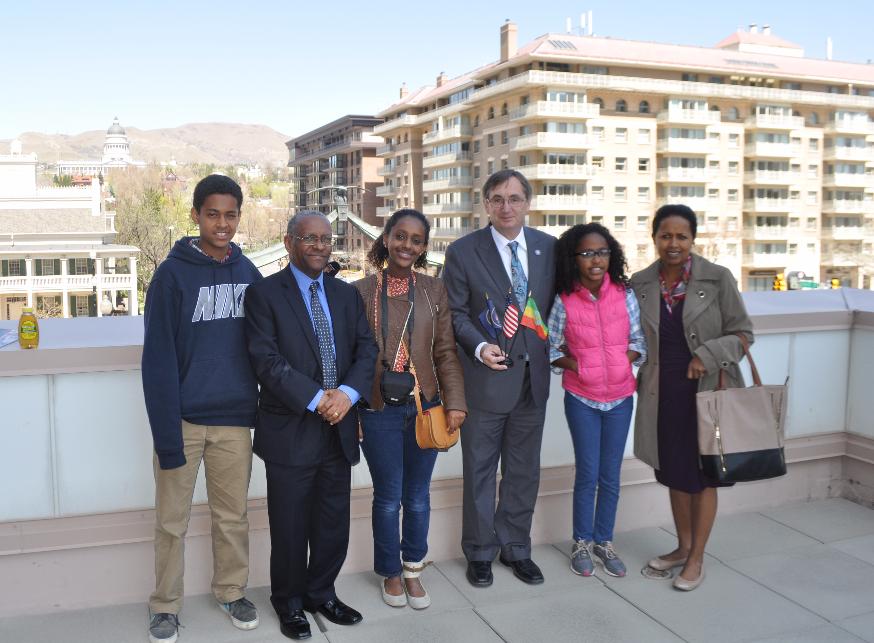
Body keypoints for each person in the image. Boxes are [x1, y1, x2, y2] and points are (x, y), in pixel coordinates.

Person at [244, 211, 377, 640]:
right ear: (289, 243)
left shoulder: (344, 294)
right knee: (289, 525)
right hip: (290, 430)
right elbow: (267, 363)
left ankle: (322, 593)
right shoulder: (264, 295)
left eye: (326, 238)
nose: (320, 246)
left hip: (339, 427)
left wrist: (348, 396)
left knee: (332, 521)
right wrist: (321, 399)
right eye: (309, 239)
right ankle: (289, 603)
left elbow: (366, 350)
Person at [142, 174, 262, 643]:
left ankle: (231, 591)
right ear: (195, 215)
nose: (222, 223)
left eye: (230, 214)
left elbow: (264, 345)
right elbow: (158, 360)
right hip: (184, 421)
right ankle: (165, 605)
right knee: (171, 521)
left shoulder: (248, 272)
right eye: (212, 213)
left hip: (234, 421)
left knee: (232, 517)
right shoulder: (172, 276)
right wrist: (166, 434)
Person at [442, 169, 556, 588]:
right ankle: (479, 552)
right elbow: (454, 313)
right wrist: (477, 346)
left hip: (534, 381)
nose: (506, 207)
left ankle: (517, 548)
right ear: (486, 204)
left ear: (527, 202)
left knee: (525, 471)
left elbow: (559, 308)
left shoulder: (548, 248)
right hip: (485, 382)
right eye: (497, 199)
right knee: (480, 472)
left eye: (514, 198)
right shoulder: (463, 251)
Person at [632, 204, 753, 591]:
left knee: (704, 478)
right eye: (665, 235)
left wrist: (708, 355)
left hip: (707, 392)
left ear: (692, 239)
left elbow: (743, 333)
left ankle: (697, 557)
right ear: (654, 238)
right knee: (675, 474)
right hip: (662, 393)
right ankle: (682, 547)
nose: (673, 243)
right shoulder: (640, 283)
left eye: (681, 236)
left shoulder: (717, 278)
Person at [354, 209, 467, 609]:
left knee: (417, 496)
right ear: (386, 238)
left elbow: (445, 352)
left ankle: (414, 568)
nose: (407, 245)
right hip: (378, 408)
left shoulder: (434, 291)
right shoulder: (362, 290)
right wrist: (352, 411)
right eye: (399, 236)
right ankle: (390, 573)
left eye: (416, 240)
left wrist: (455, 403)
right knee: (387, 496)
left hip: (424, 407)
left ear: (423, 247)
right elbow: (352, 356)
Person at [547, 223, 646, 578]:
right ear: (574, 258)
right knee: (588, 474)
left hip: (620, 397)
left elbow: (639, 340)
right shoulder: (565, 299)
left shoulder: (624, 293)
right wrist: (578, 363)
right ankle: (582, 544)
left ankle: (605, 541)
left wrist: (623, 361)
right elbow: (550, 346)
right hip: (582, 398)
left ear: (612, 255)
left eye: (602, 252)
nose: (596, 260)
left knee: (611, 475)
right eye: (587, 253)